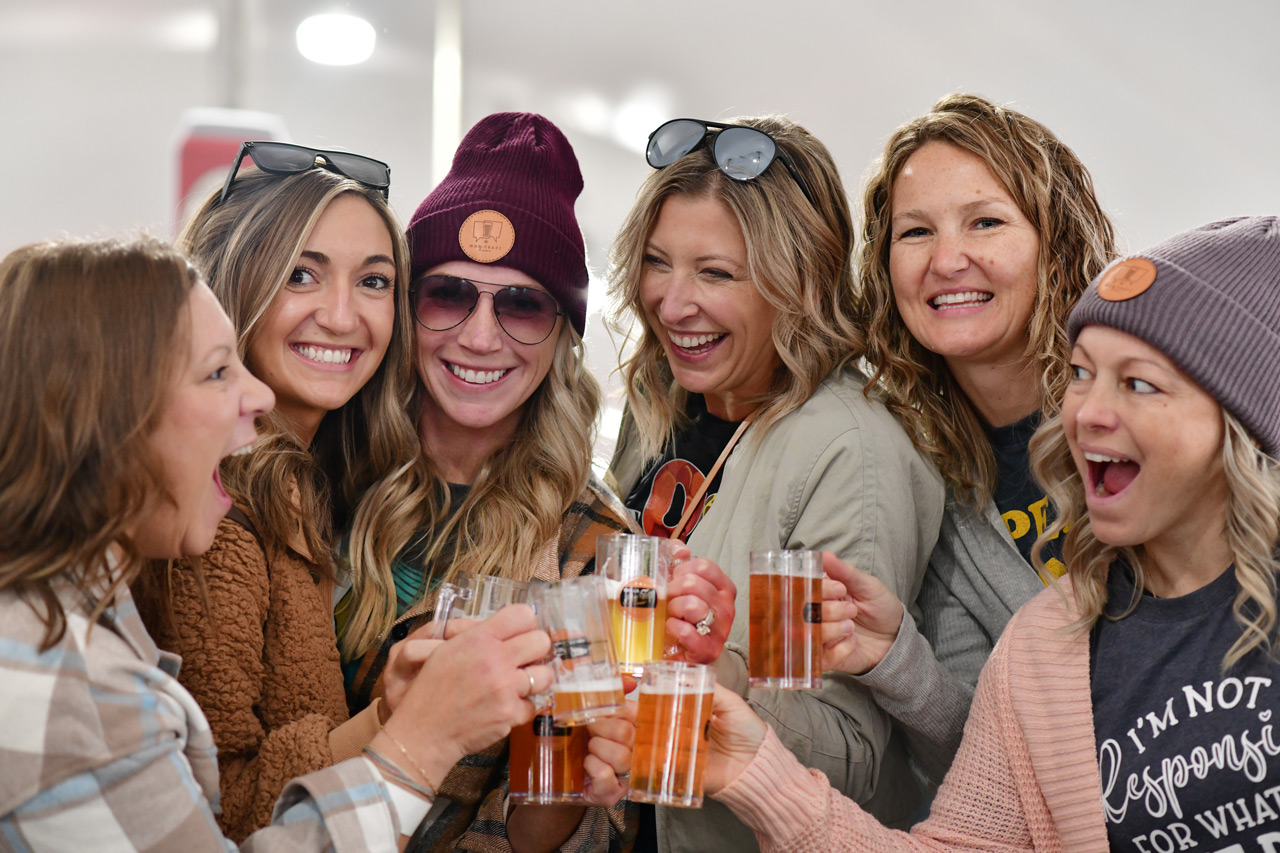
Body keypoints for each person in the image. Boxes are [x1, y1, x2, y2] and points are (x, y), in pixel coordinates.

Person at [697, 215, 1280, 850]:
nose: (1087, 414)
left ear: (1244, 420)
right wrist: (756, 772)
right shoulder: (1044, 651)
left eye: (1139, 383)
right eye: (1081, 373)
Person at [0, 235, 555, 850]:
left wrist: (390, 716)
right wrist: (421, 743)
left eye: (374, 282)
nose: (259, 396)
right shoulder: (76, 691)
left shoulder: (80, 611)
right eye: (216, 371)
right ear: (105, 419)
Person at [336, 113, 715, 853]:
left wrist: (575, 778)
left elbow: (561, 831)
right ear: (408, 309)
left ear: (563, 333)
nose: (480, 336)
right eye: (449, 293)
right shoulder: (326, 471)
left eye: (521, 304)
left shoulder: (597, 546)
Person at [607, 115, 945, 848]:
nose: (671, 301)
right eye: (658, 261)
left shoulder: (843, 451)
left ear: (798, 283)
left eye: (716, 273)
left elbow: (851, 755)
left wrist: (723, 669)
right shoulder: (661, 402)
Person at [133, 144, 436, 840]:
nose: (341, 315)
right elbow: (221, 800)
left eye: (374, 281)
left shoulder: (320, 479)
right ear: (232, 287)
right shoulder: (214, 508)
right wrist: (411, 721)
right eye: (302, 274)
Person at [824, 94, 1118, 782]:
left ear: (1056, 241)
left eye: (985, 222)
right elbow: (982, 772)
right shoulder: (943, 486)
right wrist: (894, 655)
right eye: (916, 232)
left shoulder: (1146, 405)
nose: (948, 259)